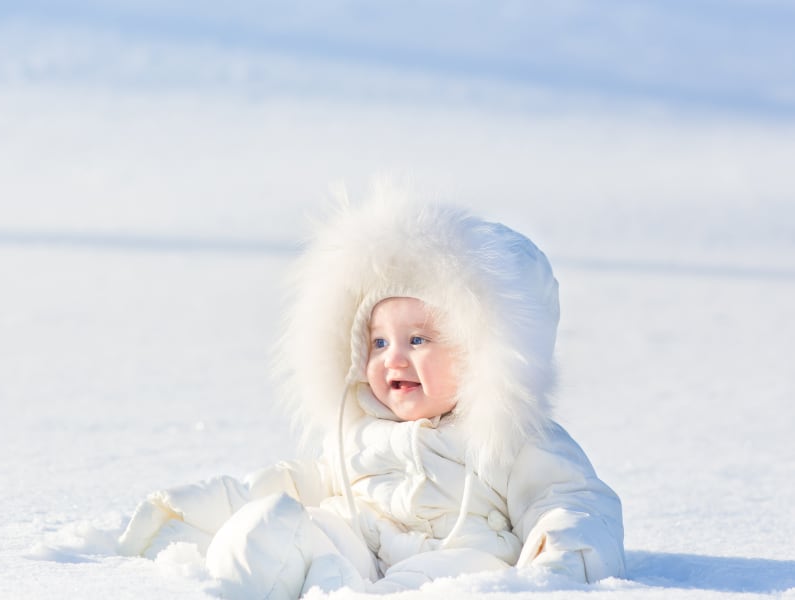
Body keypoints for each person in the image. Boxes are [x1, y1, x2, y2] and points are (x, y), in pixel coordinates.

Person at [117, 191, 625, 598]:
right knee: (277, 524)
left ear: (486, 353)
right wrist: (196, 509)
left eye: (419, 340)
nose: (393, 359)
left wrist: (559, 556)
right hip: (357, 555)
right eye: (379, 342)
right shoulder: (359, 433)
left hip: (460, 566)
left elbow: (574, 502)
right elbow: (297, 483)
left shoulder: (514, 441)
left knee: (436, 582)